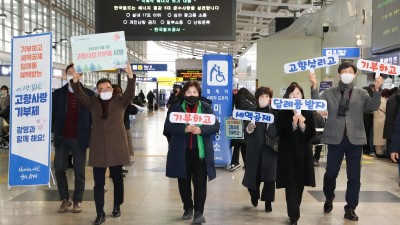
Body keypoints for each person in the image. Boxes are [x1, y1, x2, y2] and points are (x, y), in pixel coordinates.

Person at [308, 61, 383, 221]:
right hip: (335, 139)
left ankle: (350, 208)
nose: (347, 74)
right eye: (344, 71)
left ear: (355, 74)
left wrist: (377, 89)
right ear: (339, 74)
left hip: (355, 139)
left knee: (354, 176)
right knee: (330, 174)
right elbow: (316, 104)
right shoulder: (329, 92)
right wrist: (314, 86)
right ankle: (329, 197)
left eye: (350, 71)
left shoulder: (362, 94)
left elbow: (373, 106)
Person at [71, 63, 136, 225]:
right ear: (97, 91)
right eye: (101, 89)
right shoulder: (93, 102)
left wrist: (130, 76)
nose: (105, 91)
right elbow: (80, 96)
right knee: (98, 183)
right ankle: (100, 213)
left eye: (108, 88)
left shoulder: (121, 101)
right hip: (99, 149)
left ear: (112, 89)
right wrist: (76, 82)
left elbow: (130, 92)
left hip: (117, 148)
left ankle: (116, 205)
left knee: (117, 179)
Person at [164, 81, 219, 224]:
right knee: (183, 181)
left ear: (199, 94)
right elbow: (168, 127)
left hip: (200, 153)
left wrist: (202, 130)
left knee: (200, 183)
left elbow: (215, 125)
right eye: (188, 92)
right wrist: (184, 129)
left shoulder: (206, 107)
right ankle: (188, 207)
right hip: (182, 153)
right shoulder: (176, 107)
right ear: (184, 93)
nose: (192, 95)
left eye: (195, 92)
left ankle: (199, 212)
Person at [52, 64, 93, 213]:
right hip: (62, 137)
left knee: (79, 170)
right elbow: (52, 116)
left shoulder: (88, 94)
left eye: (75, 73)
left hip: (79, 138)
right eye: (69, 73)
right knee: (59, 168)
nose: (72, 75)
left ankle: (77, 201)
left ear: (80, 76)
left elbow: (93, 116)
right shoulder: (57, 94)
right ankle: (64, 199)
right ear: (66, 75)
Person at [276, 83, 316, 225]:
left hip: (303, 154)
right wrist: (293, 124)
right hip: (288, 154)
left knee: (300, 185)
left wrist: (302, 125)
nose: (295, 96)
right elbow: (279, 131)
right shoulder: (282, 111)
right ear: (287, 96)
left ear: (302, 96)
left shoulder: (307, 111)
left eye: (298, 93)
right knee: (291, 184)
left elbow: (312, 133)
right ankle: (294, 217)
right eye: (292, 93)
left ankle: (293, 210)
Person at [242, 86, 277, 213]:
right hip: (254, 148)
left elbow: (278, 129)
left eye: (266, 96)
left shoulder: (274, 112)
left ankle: (268, 202)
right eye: (261, 96)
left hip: (270, 149)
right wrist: (249, 128)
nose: (264, 99)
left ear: (270, 98)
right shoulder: (251, 111)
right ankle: (254, 194)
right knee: (253, 174)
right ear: (257, 98)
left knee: (269, 177)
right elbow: (245, 129)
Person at [112, 84, 139, 174]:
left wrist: (129, 104)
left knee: (123, 149)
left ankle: (120, 167)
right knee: (119, 149)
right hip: (118, 128)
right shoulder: (110, 103)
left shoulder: (124, 102)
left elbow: (134, 111)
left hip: (124, 127)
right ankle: (116, 169)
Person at [228, 87, 256, 171]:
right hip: (249, 125)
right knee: (244, 145)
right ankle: (247, 164)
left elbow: (239, 112)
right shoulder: (251, 101)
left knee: (237, 144)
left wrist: (233, 116)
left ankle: (235, 162)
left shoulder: (241, 100)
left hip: (242, 125)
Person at [373, 89, 390, 157]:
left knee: (377, 136)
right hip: (382, 119)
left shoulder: (377, 99)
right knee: (381, 137)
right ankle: (380, 152)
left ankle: (378, 151)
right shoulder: (383, 101)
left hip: (376, 119)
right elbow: (386, 109)